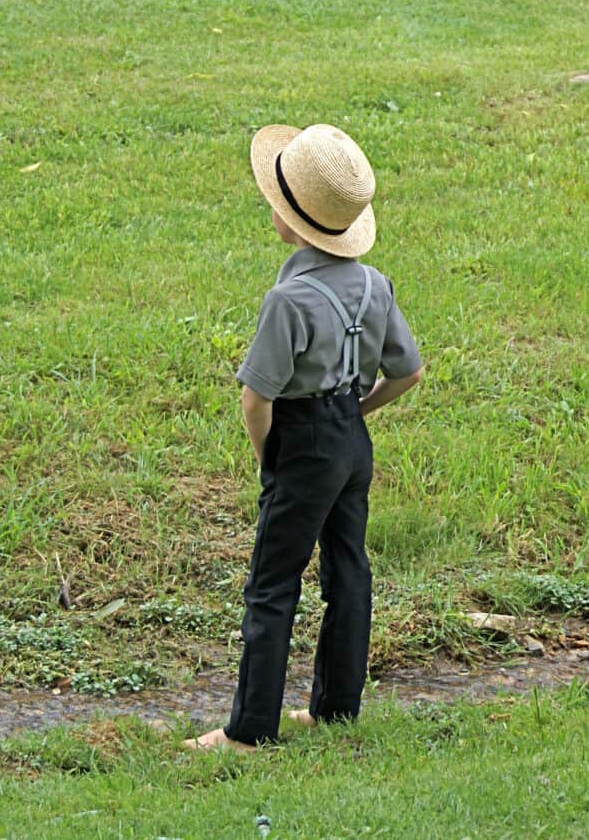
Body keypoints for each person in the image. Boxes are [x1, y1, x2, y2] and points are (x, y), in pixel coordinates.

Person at [186, 123, 423, 751]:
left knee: (273, 584)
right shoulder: (376, 285)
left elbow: (256, 396)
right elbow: (410, 371)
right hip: (351, 438)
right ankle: (335, 709)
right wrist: (356, 413)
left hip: (301, 440)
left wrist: (273, 458)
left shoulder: (288, 300)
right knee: (349, 573)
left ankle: (248, 730)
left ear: (293, 220)